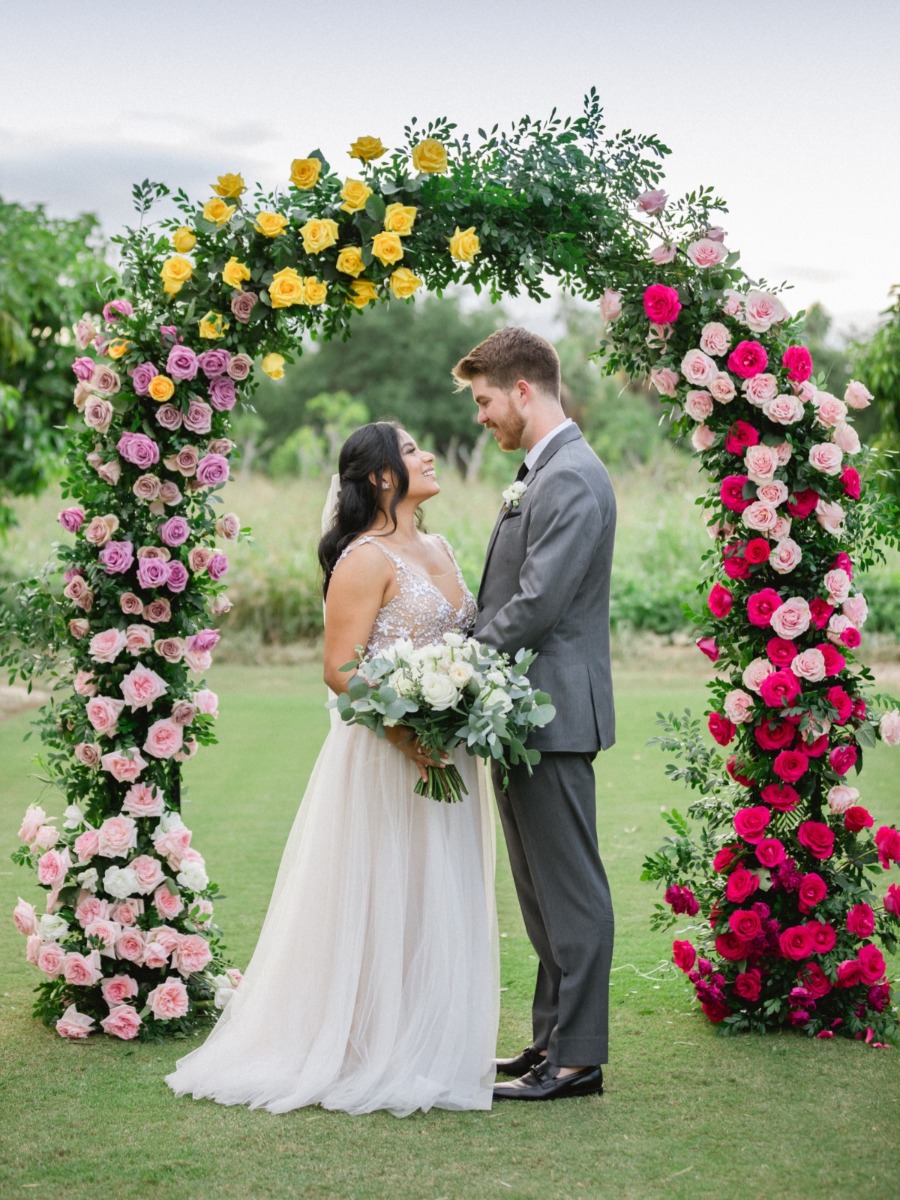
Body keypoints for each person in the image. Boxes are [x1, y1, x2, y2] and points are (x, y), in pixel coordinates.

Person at [166, 422, 499, 1116]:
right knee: (382, 895)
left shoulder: (438, 546)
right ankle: (362, 1047)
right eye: (411, 451)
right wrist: (409, 730)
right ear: (380, 477)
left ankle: (423, 1042)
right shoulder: (363, 558)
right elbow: (341, 668)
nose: (428, 455)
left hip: (449, 752)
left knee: (435, 895)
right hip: (386, 754)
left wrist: (463, 700)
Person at [451, 328, 616, 1102]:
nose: (482, 417)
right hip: (523, 713)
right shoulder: (541, 473)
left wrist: (457, 661)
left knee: (571, 891)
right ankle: (551, 1040)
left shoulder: (572, 478)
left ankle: (578, 1060)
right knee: (540, 893)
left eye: (485, 400)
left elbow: (538, 603)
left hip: (551, 712)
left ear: (523, 389)